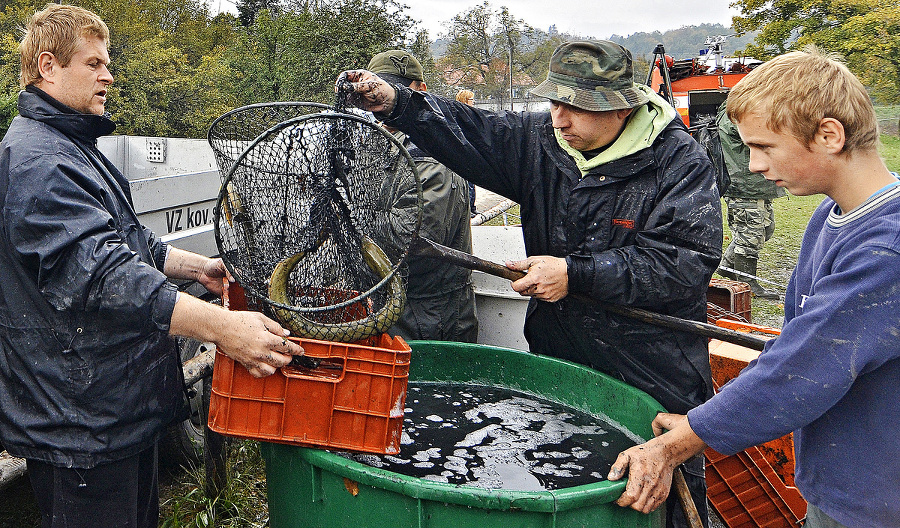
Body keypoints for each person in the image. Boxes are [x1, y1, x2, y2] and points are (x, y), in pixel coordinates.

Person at [340, 40, 723, 528]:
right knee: (565, 484)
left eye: (577, 107)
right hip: (560, 357)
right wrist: (399, 103)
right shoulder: (542, 139)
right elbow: (469, 131)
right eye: (555, 102)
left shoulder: (677, 160)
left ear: (623, 105)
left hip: (651, 366)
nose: (560, 118)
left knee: (662, 502)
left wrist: (575, 273)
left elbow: (684, 263)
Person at [0, 5, 303, 527]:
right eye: (93, 63)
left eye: (107, 62)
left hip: (114, 410)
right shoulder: (39, 162)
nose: (109, 75)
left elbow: (127, 240)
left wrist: (194, 267)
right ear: (48, 66)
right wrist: (225, 326)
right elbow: (103, 277)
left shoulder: (74, 144)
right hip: (80, 424)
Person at [607, 48, 900, 528]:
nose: (756, 165)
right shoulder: (831, 216)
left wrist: (682, 442)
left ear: (829, 135)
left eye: (764, 147)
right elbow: (794, 339)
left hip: (876, 501)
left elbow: (807, 366)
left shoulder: (886, 249)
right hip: (836, 482)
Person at [366, 50, 478, 342]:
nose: (382, 103)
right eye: (376, 92)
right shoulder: (372, 141)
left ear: (421, 90)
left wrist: (350, 219)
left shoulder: (434, 151)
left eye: (397, 91)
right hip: (384, 302)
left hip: (431, 314)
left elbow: (415, 240)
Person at [715, 100, 786, 299]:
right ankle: (747, 283)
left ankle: (727, 267)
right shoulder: (736, 116)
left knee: (764, 229)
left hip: (755, 185)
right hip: (745, 186)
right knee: (750, 234)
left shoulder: (739, 113)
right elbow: (763, 137)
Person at [455, 89, 478, 215]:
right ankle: (468, 210)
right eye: (471, 100)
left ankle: (472, 208)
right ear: (465, 100)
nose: (473, 102)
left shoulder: (470, 114)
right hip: (464, 151)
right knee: (466, 183)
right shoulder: (461, 114)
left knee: (471, 183)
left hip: (471, 150)